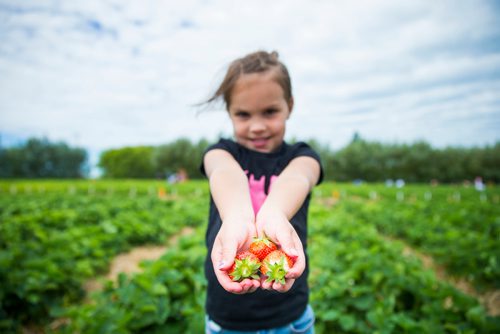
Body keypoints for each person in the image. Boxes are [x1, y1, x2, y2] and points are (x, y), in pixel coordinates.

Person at [200, 50, 323, 333]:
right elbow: (224, 172)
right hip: (228, 315)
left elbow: (299, 177)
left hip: (289, 313)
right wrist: (236, 216)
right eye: (243, 114)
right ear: (229, 113)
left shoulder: (301, 156)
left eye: (270, 112)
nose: (257, 126)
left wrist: (275, 211)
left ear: (289, 106)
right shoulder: (221, 153)